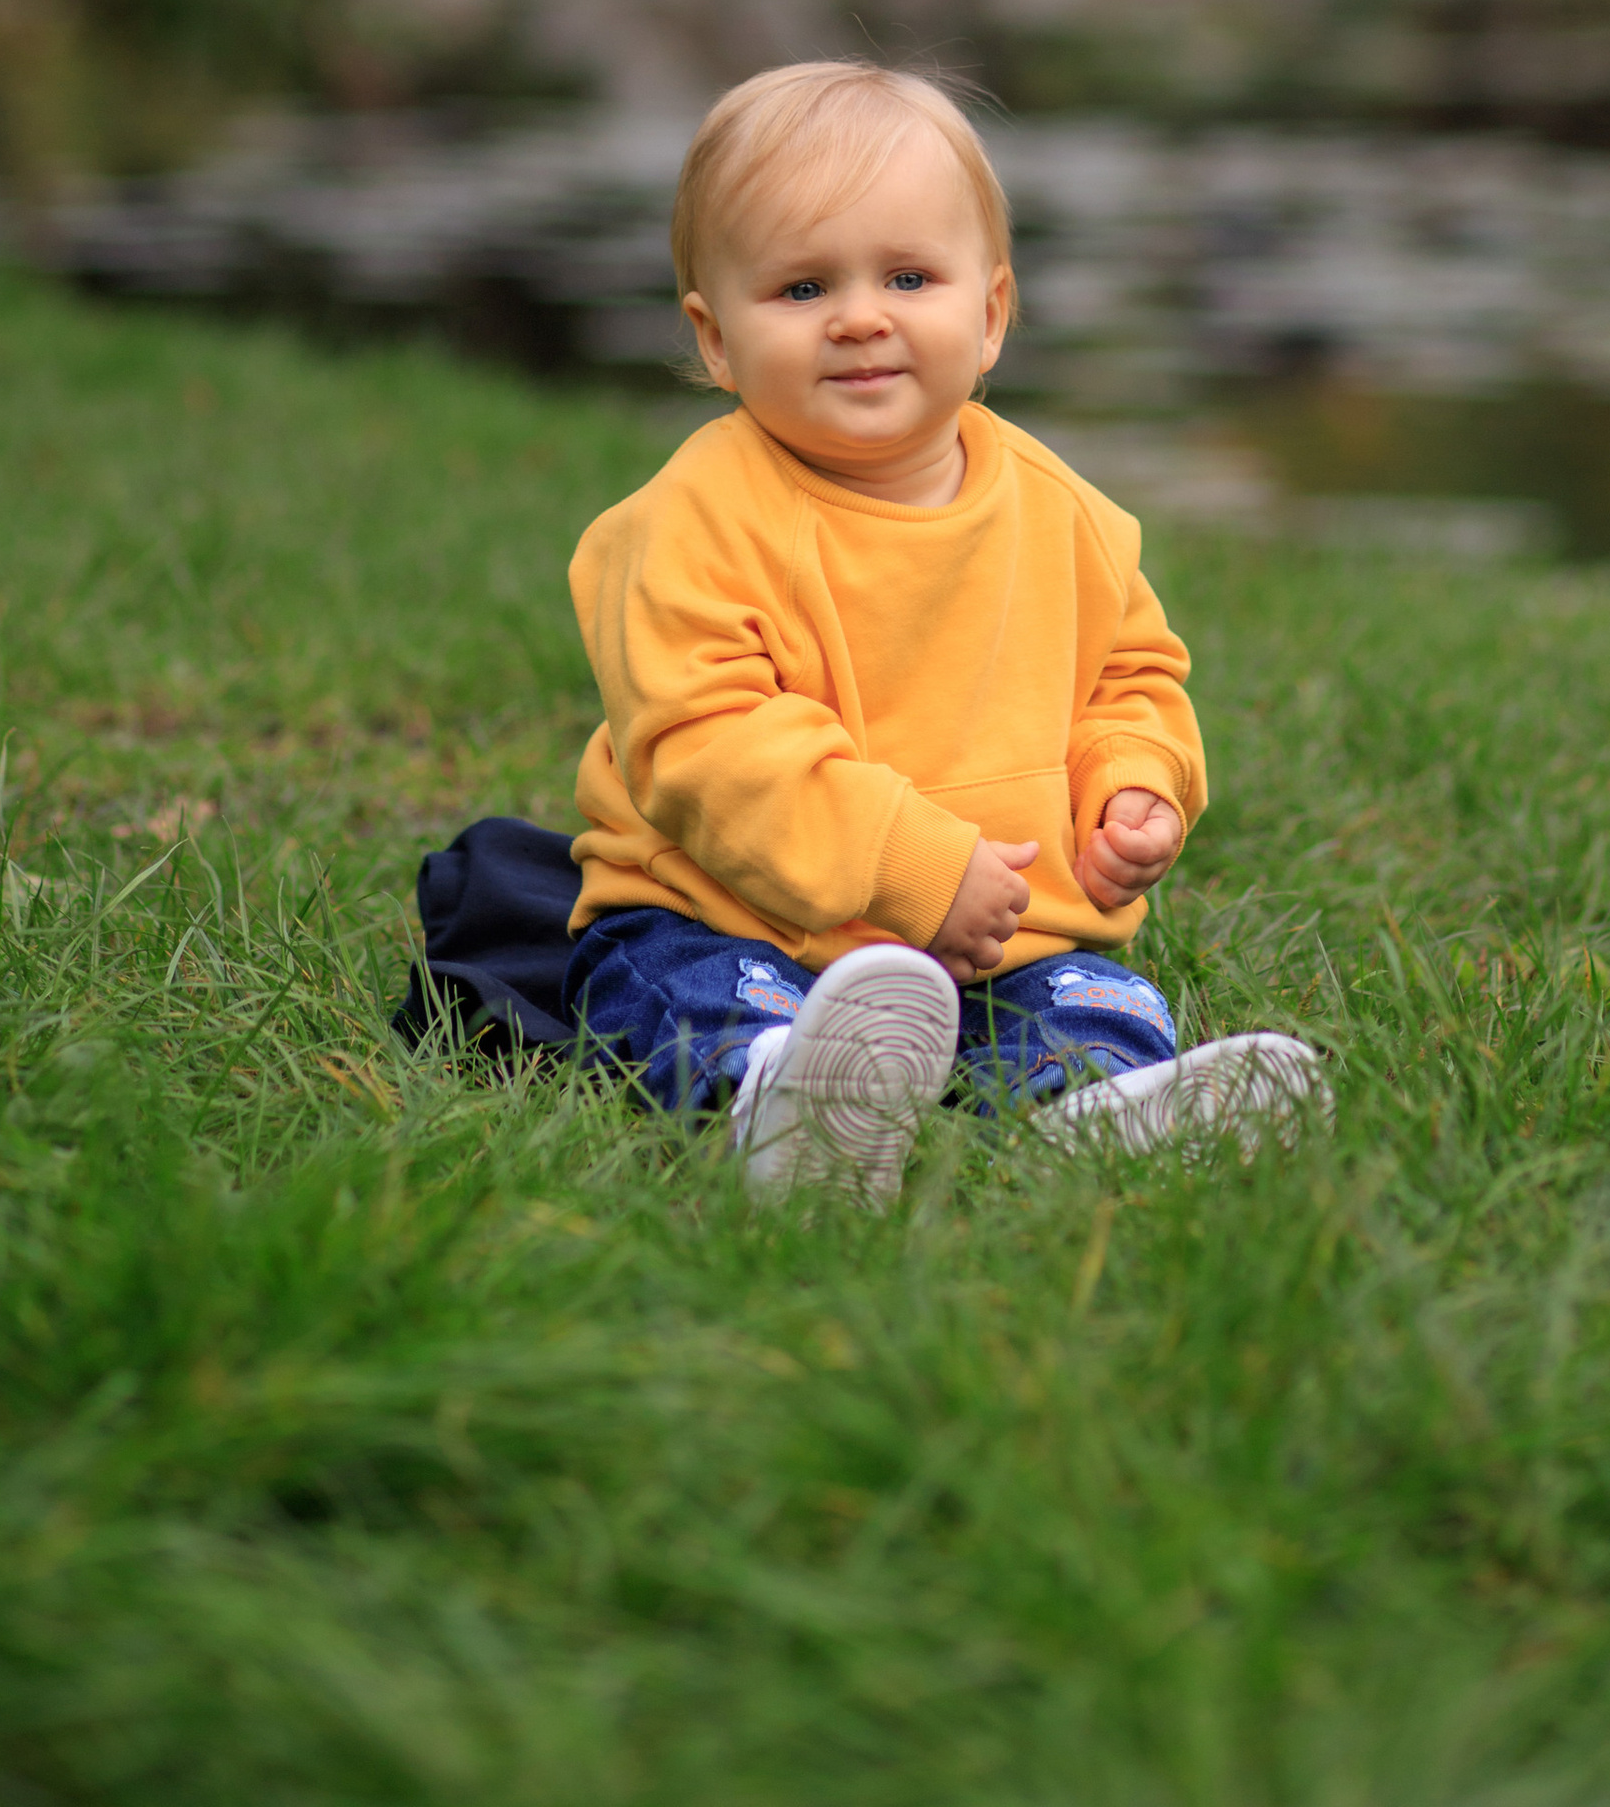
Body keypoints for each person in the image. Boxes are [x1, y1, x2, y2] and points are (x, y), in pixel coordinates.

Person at [560, 58, 1329, 1204]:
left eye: (909, 276)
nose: (862, 316)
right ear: (716, 340)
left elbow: (1129, 673)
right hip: (735, 914)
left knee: (1090, 999)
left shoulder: (1061, 512)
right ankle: (782, 1097)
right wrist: (910, 867)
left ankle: (1092, 1109)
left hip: (1001, 937)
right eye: (803, 290)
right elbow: (704, 744)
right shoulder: (688, 524)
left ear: (991, 314)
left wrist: (1133, 786)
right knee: (694, 995)